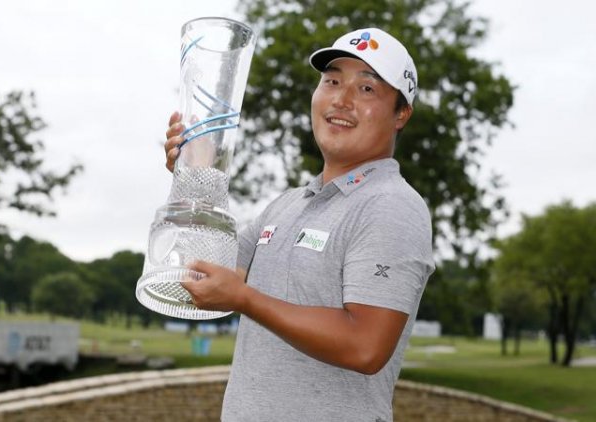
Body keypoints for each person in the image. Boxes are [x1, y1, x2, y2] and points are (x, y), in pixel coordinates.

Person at [165, 28, 435, 422]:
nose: (341, 99)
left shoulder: (393, 205)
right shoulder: (287, 205)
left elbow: (366, 346)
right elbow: (200, 275)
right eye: (332, 81)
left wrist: (245, 299)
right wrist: (196, 174)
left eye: (366, 89)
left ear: (401, 114)